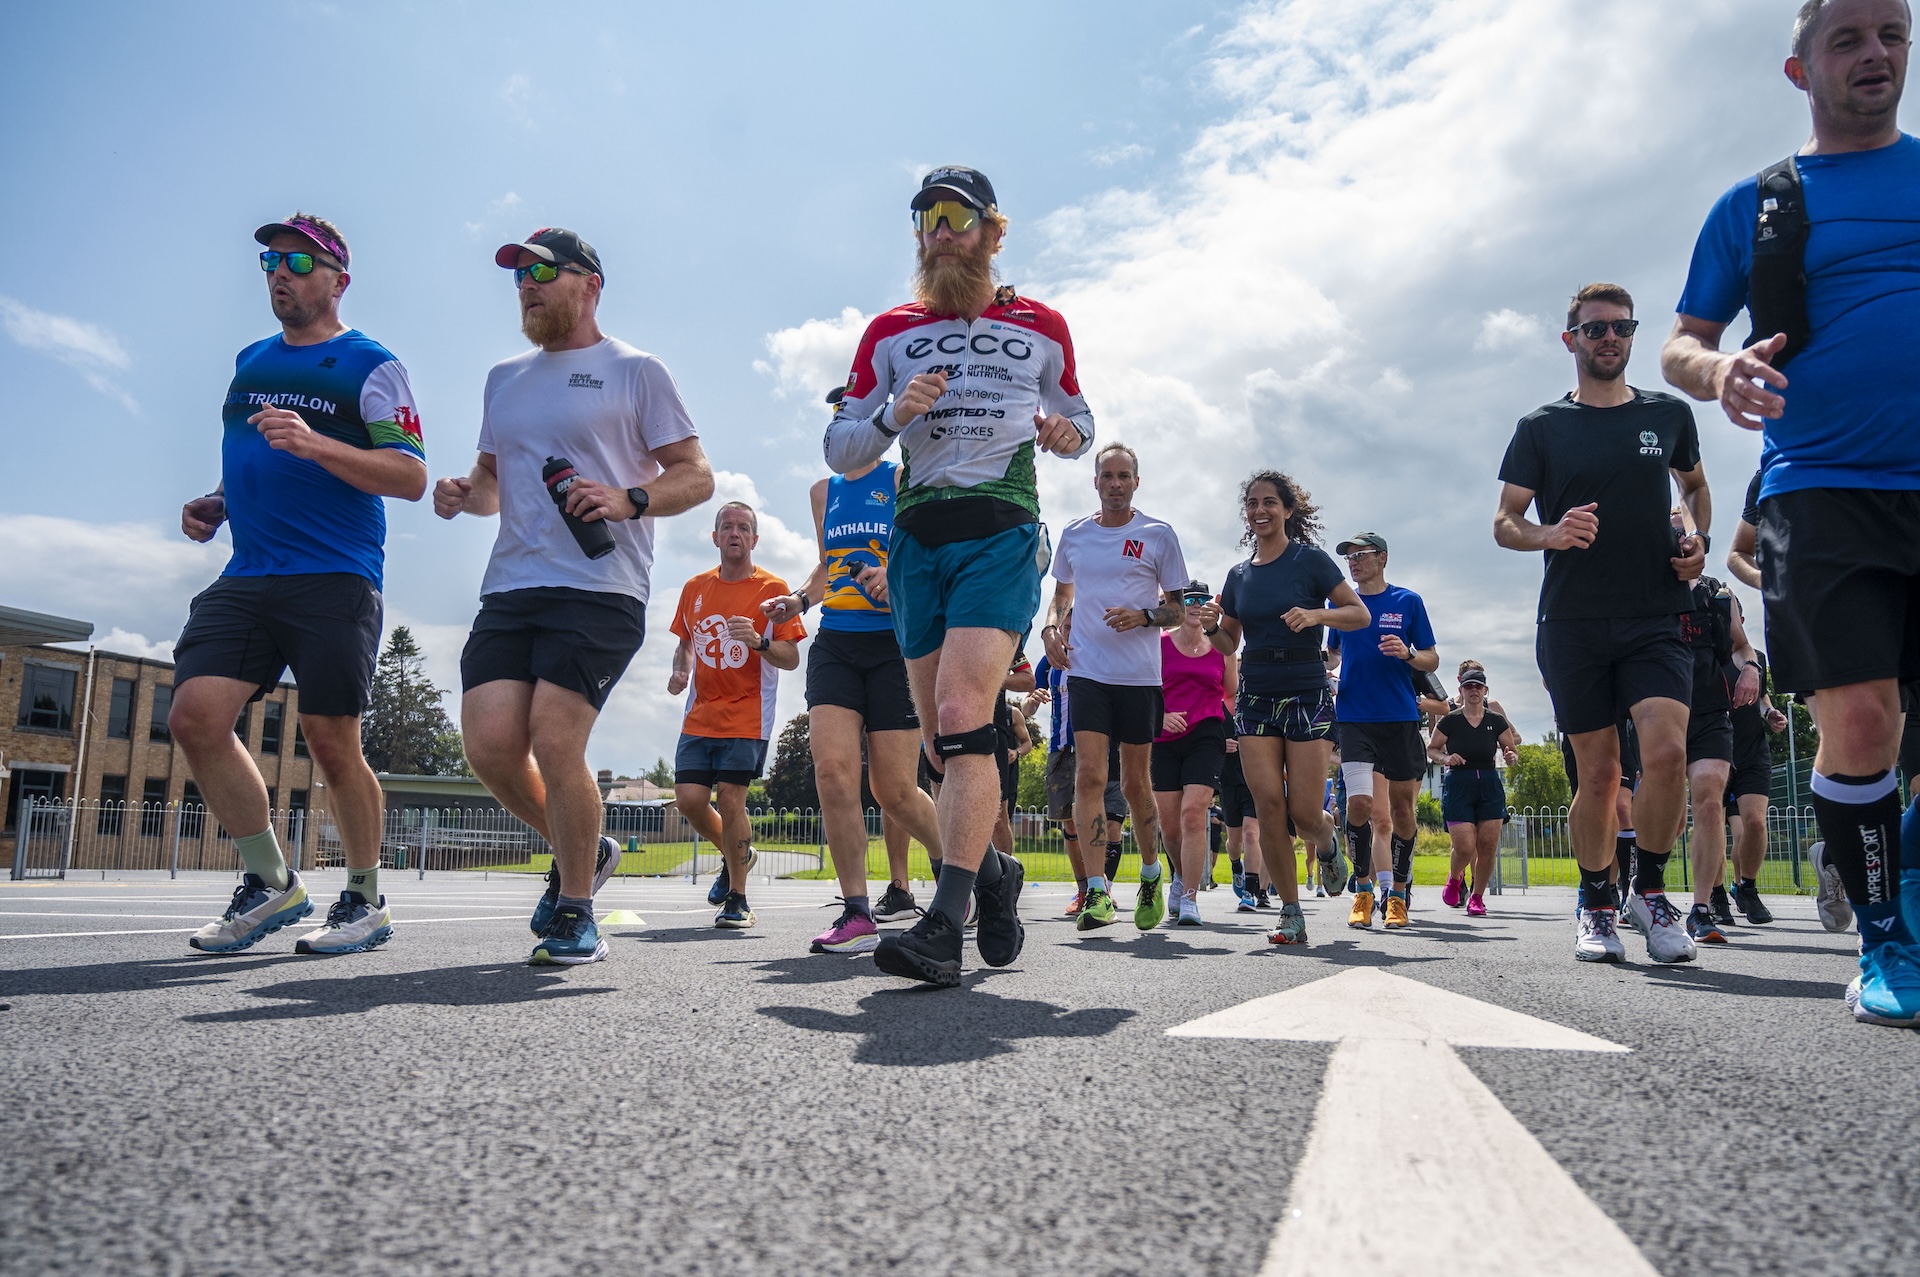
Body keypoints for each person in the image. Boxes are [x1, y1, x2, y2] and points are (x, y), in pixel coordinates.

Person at [1663, 0, 1920, 1024]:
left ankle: (1889, 876)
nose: (1877, 54)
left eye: (1894, 34)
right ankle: (1885, 940)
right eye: (1849, 38)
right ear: (1797, 66)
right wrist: (1718, 365)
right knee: (1862, 717)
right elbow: (1682, 342)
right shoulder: (1759, 204)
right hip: (1820, 484)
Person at [824, 166, 1095, 986]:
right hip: (917, 536)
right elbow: (842, 450)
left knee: (959, 710)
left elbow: (1082, 420)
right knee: (945, 747)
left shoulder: (1040, 324)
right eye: (927, 217)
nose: (941, 230)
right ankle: (997, 872)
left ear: (991, 231)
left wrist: (1062, 433)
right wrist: (890, 413)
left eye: (957, 216)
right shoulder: (891, 331)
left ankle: (945, 922)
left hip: (1000, 528)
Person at [436, 227, 712, 965]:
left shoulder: (635, 370)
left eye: (543, 272)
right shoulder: (504, 379)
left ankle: (578, 907)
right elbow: (493, 484)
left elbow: (696, 474)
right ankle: (586, 847)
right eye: (518, 275)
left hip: (600, 585)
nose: (527, 284)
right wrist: (467, 494)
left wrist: (630, 498)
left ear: (590, 284)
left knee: (557, 741)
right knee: (491, 747)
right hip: (511, 585)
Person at [176, 213, 427, 957]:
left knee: (330, 740)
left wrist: (318, 443)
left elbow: (411, 475)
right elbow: (254, 456)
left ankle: (365, 898)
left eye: (297, 260)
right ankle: (271, 881)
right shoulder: (250, 360)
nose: (279, 272)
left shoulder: (369, 363)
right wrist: (220, 501)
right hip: (250, 572)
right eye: (270, 261)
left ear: (337, 279)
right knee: (194, 715)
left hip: (336, 574)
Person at [1496, 281, 1709, 966]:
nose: (1608, 338)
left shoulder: (1668, 414)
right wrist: (1551, 533)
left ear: (1632, 335)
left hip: (1655, 611)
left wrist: (1697, 534)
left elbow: (1695, 488)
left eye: (1620, 327)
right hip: (1574, 619)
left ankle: (1649, 891)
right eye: (1595, 329)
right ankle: (1594, 903)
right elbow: (1506, 523)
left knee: (1667, 753)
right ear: (1572, 341)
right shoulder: (1540, 427)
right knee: (1599, 773)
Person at [762, 453, 944, 956]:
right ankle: (857, 913)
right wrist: (798, 601)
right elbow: (828, 565)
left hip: (894, 643)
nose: (845, 419)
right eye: (838, 412)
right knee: (833, 774)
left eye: (854, 408)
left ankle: (955, 875)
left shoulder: (903, 476)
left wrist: (892, 570)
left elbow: (927, 549)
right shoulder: (824, 491)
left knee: (894, 791)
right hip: (836, 644)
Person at [1195, 470, 1368, 946]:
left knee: (1305, 812)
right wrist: (1212, 627)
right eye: (1252, 504)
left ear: (1288, 510)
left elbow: (1359, 614)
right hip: (1255, 694)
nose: (1259, 511)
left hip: (1307, 690)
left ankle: (1328, 842)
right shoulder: (1239, 575)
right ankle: (1291, 911)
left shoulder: (1309, 562)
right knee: (1269, 806)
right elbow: (1229, 639)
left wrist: (1316, 615)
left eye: (1269, 502)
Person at [1042, 443, 1190, 932]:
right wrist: (1051, 629)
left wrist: (1144, 616)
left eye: (1124, 475)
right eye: (1107, 475)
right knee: (1087, 776)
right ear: (1096, 482)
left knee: (1133, 783)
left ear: (1136, 482)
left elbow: (1178, 610)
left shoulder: (1157, 535)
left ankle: (1150, 873)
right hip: (1087, 672)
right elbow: (1061, 594)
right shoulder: (1076, 535)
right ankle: (1097, 891)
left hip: (1138, 677)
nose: (1116, 483)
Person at [667, 502, 805, 930]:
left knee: (731, 798)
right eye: (727, 526)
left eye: (743, 528)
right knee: (689, 801)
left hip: (748, 714)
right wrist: (680, 667)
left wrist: (759, 643)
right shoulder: (695, 587)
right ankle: (735, 854)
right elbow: (685, 641)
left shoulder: (772, 589)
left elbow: (792, 657)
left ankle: (738, 899)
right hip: (699, 714)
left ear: (754, 540)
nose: (735, 533)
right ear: (714, 537)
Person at [1325, 532, 1440, 931]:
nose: (1353, 562)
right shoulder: (1340, 603)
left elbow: (1431, 657)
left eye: (1361, 555)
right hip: (1355, 718)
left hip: (1400, 719)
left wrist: (1409, 653)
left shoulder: (1408, 601)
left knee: (1403, 812)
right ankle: (1362, 891)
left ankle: (1399, 894)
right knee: (1359, 806)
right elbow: (1334, 654)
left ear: (1383, 558)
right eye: (1349, 557)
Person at [1671, 510, 1764, 945]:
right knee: (1667, 817)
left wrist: (1751, 671)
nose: (1681, 537)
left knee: (1708, 798)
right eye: (1672, 530)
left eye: (1686, 530)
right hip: (1659, 714)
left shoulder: (1718, 595)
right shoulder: (1645, 590)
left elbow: (1743, 646)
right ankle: (1641, 882)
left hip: (1709, 713)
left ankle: (1701, 908)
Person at [1154, 580, 1238, 926]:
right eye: (1187, 598)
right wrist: (1160, 716)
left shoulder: (1221, 647)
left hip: (1206, 732)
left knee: (1193, 814)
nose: (1195, 603)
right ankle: (1178, 874)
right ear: (1175, 604)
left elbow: (1230, 690)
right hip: (1163, 736)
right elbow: (1143, 689)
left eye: (1202, 598)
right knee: (1170, 826)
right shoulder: (1157, 645)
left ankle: (1189, 896)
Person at [1030, 631, 1127, 916]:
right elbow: (1029, 705)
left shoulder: (1104, 654)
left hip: (1106, 750)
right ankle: (1085, 888)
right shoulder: (1048, 664)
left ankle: (1103, 887)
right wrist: (1032, 700)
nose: (1072, 631)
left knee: (1111, 825)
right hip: (1062, 751)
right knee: (1070, 825)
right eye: (1066, 625)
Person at [1428, 663, 1519, 917]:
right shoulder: (1450, 720)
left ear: (1485, 690)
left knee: (1488, 845)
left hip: (1489, 782)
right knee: (1465, 846)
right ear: (1461, 689)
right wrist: (1446, 759)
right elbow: (1432, 749)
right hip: (1459, 783)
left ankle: (1477, 897)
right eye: (1468, 686)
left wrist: (1511, 757)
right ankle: (1455, 878)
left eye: (1478, 686)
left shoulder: (1495, 720)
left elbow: (1511, 749)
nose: (1473, 691)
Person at [1720, 650, 1789, 924]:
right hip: (1714, 749)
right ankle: (1714, 895)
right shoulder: (1703, 653)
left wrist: (1770, 713)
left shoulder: (1756, 658)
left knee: (1755, 823)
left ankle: (1746, 887)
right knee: (1712, 826)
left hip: (1752, 752)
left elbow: (1761, 698)